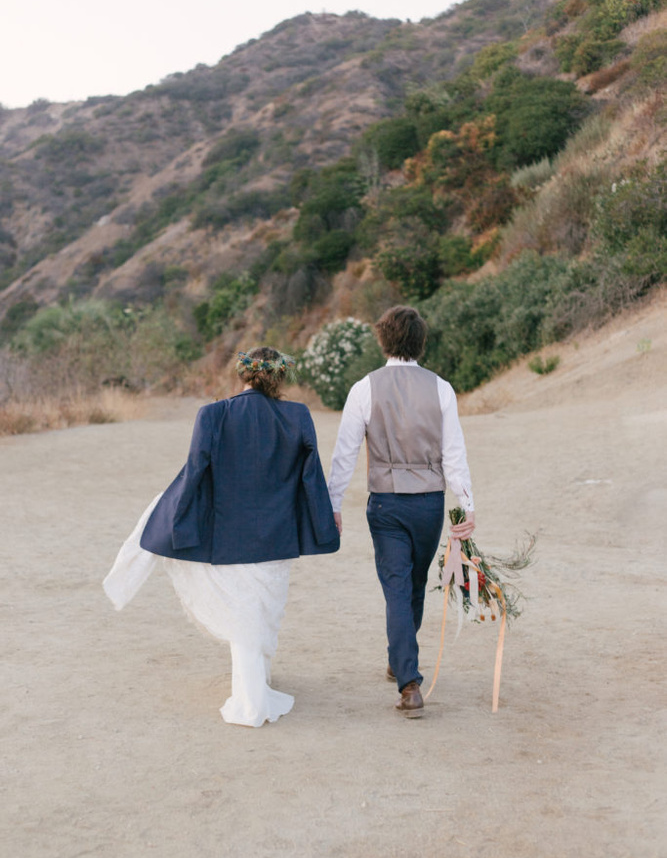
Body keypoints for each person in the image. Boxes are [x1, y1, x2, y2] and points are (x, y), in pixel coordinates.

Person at [104, 347, 339, 727]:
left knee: (244, 613)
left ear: (243, 375)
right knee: (265, 610)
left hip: (230, 534)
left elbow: (194, 471)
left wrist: (175, 518)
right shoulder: (298, 416)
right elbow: (310, 476)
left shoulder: (212, 414)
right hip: (278, 534)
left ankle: (252, 696)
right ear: (280, 378)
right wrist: (322, 523)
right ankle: (255, 689)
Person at [328, 306, 475, 718]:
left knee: (397, 586)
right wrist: (466, 507)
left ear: (384, 339)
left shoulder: (365, 388)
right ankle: (402, 662)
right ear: (420, 341)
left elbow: (345, 454)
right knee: (412, 584)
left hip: (387, 504)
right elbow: (454, 455)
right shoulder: (441, 388)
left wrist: (333, 504)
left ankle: (409, 682)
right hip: (428, 503)